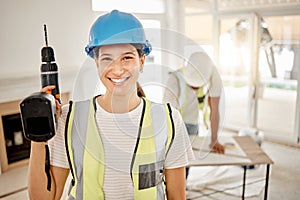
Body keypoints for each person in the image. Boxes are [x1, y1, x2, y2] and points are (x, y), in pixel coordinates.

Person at [28, 10, 194, 200]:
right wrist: (38, 135)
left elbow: (176, 196)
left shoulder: (168, 119)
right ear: (96, 62)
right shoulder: (69, 118)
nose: (117, 69)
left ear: (142, 61)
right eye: (107, 58)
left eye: (127, 57)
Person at [163, 51, 225, 178]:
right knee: (174, 161)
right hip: (175, 123)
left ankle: (182, 188)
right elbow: (168, 114)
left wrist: (214, 140)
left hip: (193, 124)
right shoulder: (174, 79)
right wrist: (172, 140)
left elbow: (214, 110)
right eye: (192, 85)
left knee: (187, 162)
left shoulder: (214, 77)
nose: (195, 89)